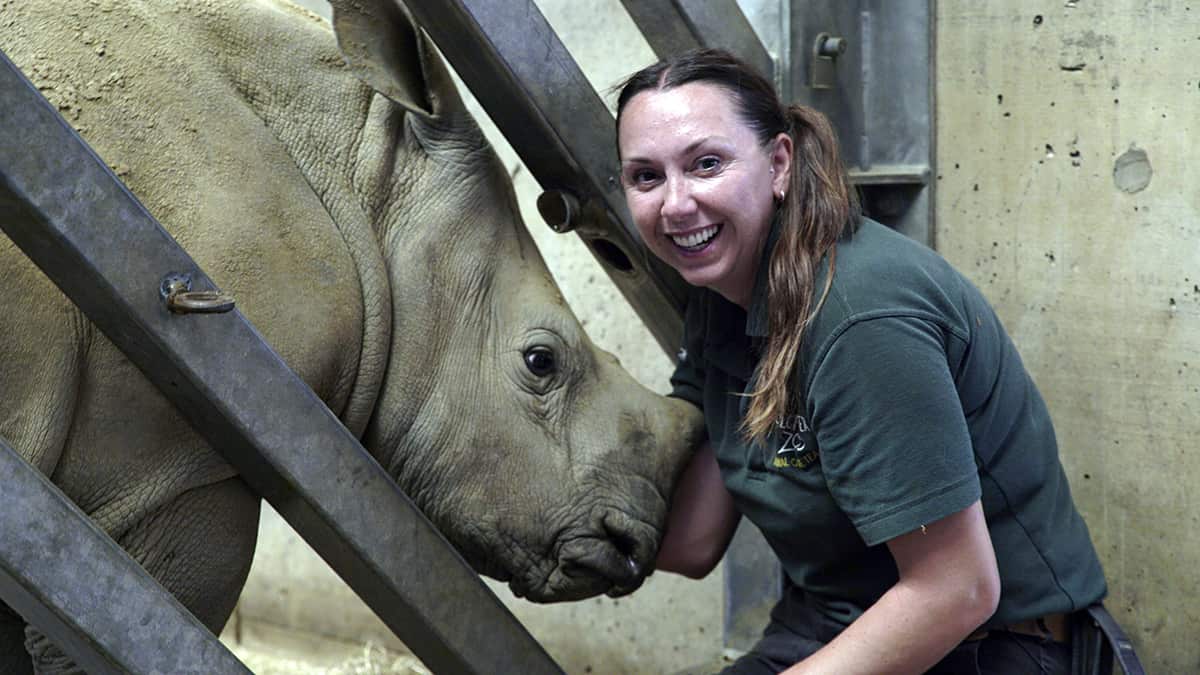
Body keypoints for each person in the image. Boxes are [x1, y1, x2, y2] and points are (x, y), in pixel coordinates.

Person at [614, 49, 1107, 674]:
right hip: (828, 623)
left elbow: (957, 590)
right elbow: (693, 540)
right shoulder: (720, 298)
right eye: (646, 177)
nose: (676, 205)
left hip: (986, 648)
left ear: (779, 164)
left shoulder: (859, 318)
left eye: (707, 164)